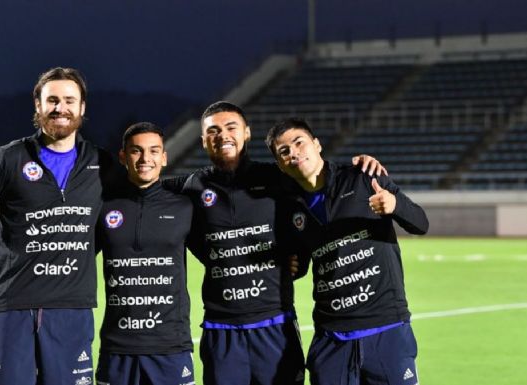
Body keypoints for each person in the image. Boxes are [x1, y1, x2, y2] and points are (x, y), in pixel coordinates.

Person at [165, 101, 385, 385]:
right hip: (221, 328)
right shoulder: (192, 187)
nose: (223, 135)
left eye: (231, 127)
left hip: (275, 325)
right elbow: (145, 187)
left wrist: (361, 167)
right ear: (204, 141)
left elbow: (313, 199)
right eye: (214, 131)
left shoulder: (277, 179)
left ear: (246, 133)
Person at [0, 67, 118, 385]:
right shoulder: (10, 158)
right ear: (37, 106)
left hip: (71, 308)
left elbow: (132, 212)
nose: (60, 108)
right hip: (14, 305)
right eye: (51, 100)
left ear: (82, 108)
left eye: (69, 100)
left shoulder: (102, 164)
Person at [265, 117, 429, 385]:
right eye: (284, 151)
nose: (293, 152)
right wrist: (292, 266)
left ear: (316, 145)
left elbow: (421, 223)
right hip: (332, 337)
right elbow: (305, 259)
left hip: (386, 328)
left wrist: (394, 204)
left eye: (299, 143)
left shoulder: (363, 177)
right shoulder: (288, 206)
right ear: (280, 165)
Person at [95, 122, 195, 385]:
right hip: (118, 347)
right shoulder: (103, 207)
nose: (145, 159)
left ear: (164, 157)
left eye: (153, 151)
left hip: (170, 347)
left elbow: (222, 249)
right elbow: (69, 249)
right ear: (123, 156)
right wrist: (11, 241)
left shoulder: (185, 206)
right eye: (136, 151)